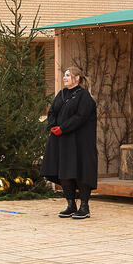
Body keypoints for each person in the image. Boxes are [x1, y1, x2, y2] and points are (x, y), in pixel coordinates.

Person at [41, 67, 98, 219]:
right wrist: (53, 126)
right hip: (62, 141)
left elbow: (80, 117)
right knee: (65, 171)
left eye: (68, 75)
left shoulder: (84, 96)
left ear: (77, 78)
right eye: (64, 75)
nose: (64, 78)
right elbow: (52, 111)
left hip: (80, 143)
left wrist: (63, 128)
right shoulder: (61, 94)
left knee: (81, 171)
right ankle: (71, 204)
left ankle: (84, 207)